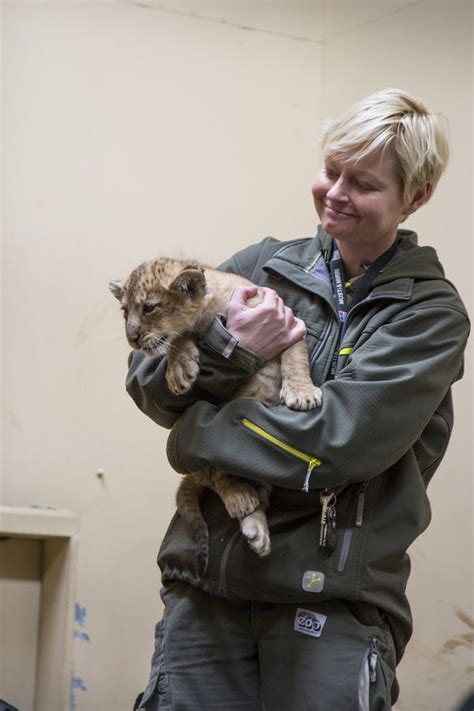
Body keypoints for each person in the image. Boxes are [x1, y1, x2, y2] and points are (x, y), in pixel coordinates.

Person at [126, 89, 470, 710]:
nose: (335, 192)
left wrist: (194, 436)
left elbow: (336, 443)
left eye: (362, 182)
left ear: (413, 197)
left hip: (330, 604)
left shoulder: (430, 316)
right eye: (331, 170)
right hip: (208, 583)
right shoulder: (263, 265)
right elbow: (150, 386)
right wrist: (229, 348)